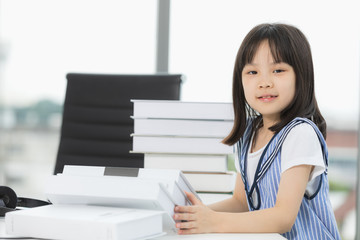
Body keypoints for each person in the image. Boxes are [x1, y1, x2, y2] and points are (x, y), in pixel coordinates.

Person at [173, 23, 341, 239]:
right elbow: (241, 203)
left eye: (278, 70)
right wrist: (192, 215)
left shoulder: (300, 133)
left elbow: (283, 218)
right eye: (252, 72)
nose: (264, 82)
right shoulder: (249, 133)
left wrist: (213, 221)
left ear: (302, 76)